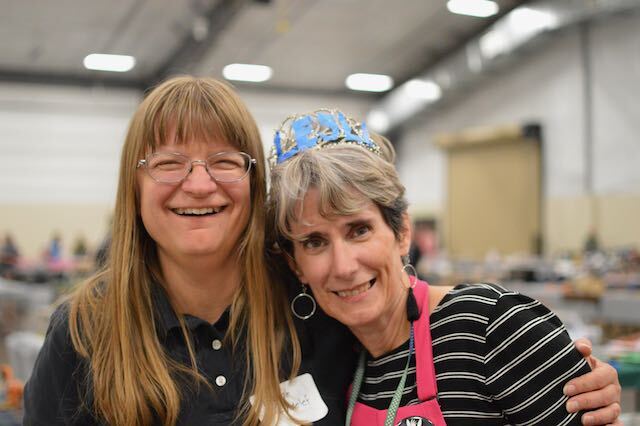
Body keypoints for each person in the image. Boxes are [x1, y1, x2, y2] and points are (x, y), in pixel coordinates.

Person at [267, 109, 622, 425]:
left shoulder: (491, 327)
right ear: (295, 265)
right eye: (315, 242)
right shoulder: (339, 361)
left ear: (402, 232)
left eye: (359, 230)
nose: (343, 266)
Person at [23, 76, 303, 426]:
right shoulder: (83, 332)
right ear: (134, 188)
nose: (200, 185)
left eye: (225, 162)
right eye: (169, 163)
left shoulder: (305, 306)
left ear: (253, 182)